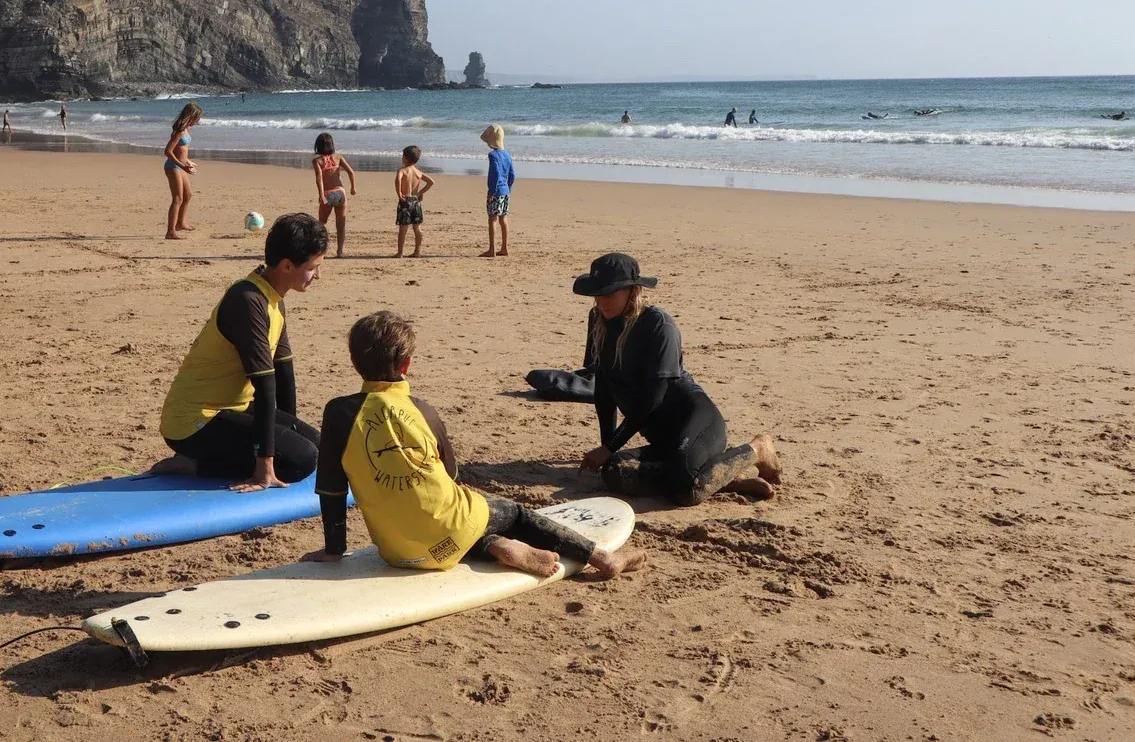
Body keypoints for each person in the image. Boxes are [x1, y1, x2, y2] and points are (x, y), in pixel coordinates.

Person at [305, 311, 647, 580]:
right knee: (510, 512)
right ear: (406, 364)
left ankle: (497, 546)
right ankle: (602, 558)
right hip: (449, 533)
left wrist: (334, 549)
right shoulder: (424, 412)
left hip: (396, 552)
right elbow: (452, 476)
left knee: (460, 526)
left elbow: (332, 488)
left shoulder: (338, 413)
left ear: (353, 363)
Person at [572, 253, 782, 505]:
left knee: (685, 492)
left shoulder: (658, 325)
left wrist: (610, 446)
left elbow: (654, 397)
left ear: (632, 291)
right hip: (663, 438)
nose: (601, 301)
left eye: (609, 294)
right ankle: (726, 478)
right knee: (616, 472)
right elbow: (604, 389)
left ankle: (757, 449)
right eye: (597, 294)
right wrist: (608, 447)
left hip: (696, 420)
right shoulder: (598, 320)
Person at [159, 213, 328, 491]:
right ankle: (193, 465)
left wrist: (286, 434)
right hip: (193, 422)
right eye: (313, 267)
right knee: (303, 460)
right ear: (287, 265)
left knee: (313, 446)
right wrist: (266, 465)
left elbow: (284, 375)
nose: (318, 275)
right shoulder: (248, 302)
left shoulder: (274, 299)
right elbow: (265, 384)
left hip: (231, 408)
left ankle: (272, 455)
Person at [312, 133, 357, 257]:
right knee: (341, 224)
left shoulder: (317, 161)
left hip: (327, 194)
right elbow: (351, 172)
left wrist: (321, 195)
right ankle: (340, 251)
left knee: (321, 224)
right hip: (340, 193)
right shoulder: (338, 157)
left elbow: (319, 179)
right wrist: (353, 187)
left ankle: (321, 251)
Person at [163, 102, 202, 240]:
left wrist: (188, 161)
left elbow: (182, 151)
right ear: (190, 116)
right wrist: (182, 165)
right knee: (177, 198)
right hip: (173, 167)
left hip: (181, 166)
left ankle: (180, 223)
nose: (197, 122)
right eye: (196, 118)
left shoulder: (187, 130)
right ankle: (170, 231)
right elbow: (168, 151)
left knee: (188, 195)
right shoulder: (179, 131)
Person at [480, 124, 515, 258]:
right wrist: (509, 188)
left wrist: (491, 191)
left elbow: (494, 174)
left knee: (492, 219)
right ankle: (504, 247)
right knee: (503, 218)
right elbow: (512, 175)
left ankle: (492, 249)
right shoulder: (507, 154)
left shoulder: (493, 155)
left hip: (496, 191)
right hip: (505, 191)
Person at [394, 145, 434, 259]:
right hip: (416, 201)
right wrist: (421, 192)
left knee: (403, 228)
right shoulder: (418, 172)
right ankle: (417, 251)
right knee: (417, 227)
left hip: (405, 201)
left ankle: (400, 252)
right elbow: (431, 182)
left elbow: (398, 179)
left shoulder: (402, 170)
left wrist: (398, 193)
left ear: (405, 158)